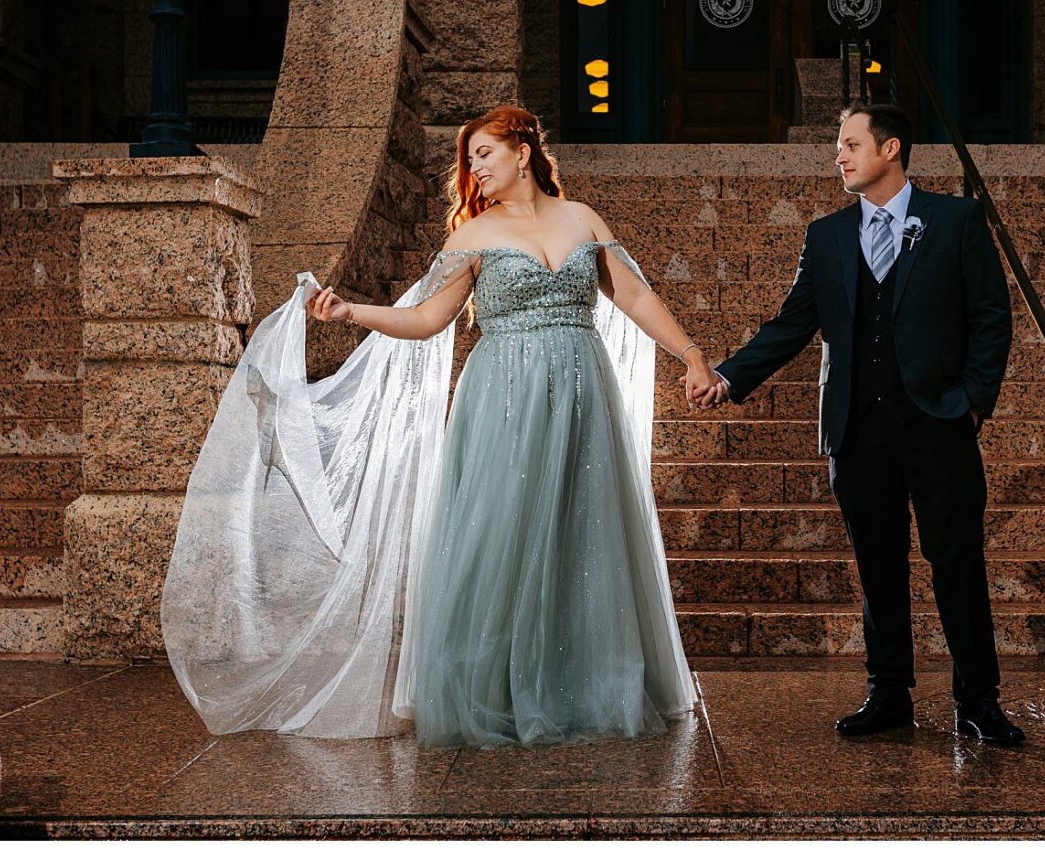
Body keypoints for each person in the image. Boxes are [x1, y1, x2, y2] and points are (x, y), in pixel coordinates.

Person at [163, 106, 718, 748]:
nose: (475, 168)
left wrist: (692, 355)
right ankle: (496, 686)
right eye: (470, 159)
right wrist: (351, 311)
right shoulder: (470, 238)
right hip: (502, 396)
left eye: (485, 152)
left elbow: (636, 297)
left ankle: (582, 680)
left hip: (580, 387)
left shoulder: (584, 221)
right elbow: (428, 320)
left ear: (523, 151)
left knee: (581, 524)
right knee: (501, 530)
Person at [696, 101, 1023, 746]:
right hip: (858, 430)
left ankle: (978, 701)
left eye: (849, 143)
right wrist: (730, 375)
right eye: (838, 146)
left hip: (939, 424)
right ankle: (889, 695)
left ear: (891, 148)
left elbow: (992, 317)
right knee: (878, 565)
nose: (838, 155)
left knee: (957, 563)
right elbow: (792, 324)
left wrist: (973, 402)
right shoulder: (827, 236)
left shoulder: (955, 220)